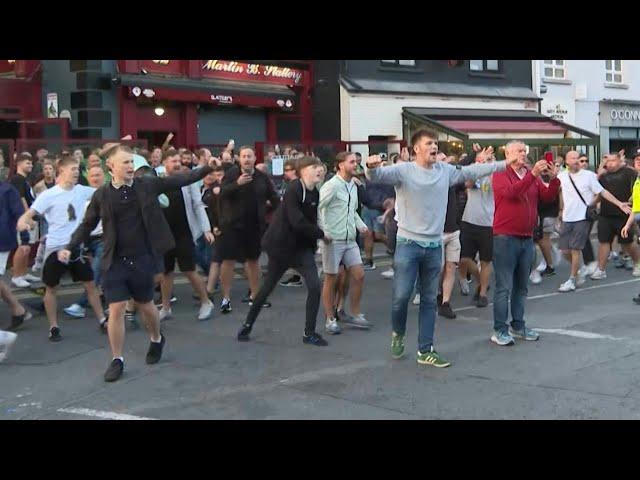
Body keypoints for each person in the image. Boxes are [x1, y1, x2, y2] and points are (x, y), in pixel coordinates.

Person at [59, 144, 215, 382]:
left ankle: (156, 338)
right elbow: (87, 224)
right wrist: (70, 248)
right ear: (111, 166)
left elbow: (180, 180)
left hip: (142, 258)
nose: (131, 167)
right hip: (115, 261)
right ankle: (117, 359)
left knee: (147, 307)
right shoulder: (102, 194)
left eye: (132, 162)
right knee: (117, 308)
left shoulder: (147, 185)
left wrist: (206, 169)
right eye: (125, 163)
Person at [366, 131, 504, 367]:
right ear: (416, 149)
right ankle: (398, 333)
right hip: (408, 243)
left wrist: (504, 163)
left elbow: (471, 172)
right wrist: (370, 167)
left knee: (430, 299)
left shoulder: (445, 171)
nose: (433, 147)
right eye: (428, 143)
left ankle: (425, 349)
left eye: (435, 143)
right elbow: (377, 175)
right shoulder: (404, 171)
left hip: (434, 244)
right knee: (401, 297)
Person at [237, 157, 330, 346]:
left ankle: (309, 333)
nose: (319, 170)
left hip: (302, 248)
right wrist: (321, 234)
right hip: (281, 247)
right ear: (302, 171)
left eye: (320, 167)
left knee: (314, 286)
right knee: (267, 287)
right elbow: (297, 221)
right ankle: (247, 324)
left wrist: (316, 239)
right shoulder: (294, 190)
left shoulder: (315, 193)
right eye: (314, 167)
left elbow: (311, 220)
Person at [17, 156, 106, 342]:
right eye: (72, 169)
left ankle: (102, 320)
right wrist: (23, 223)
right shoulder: (49, 195)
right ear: (62, 171)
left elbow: (103, 193)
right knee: (51, 288)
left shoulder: (81, 191)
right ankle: (53, 327)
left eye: (77, 169)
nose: (76, 172)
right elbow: (28, 215)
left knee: (90, 284)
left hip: (76, 248)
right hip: (55, 248)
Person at [490, 141, 560, 346]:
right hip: (505, 236)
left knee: (521, 286)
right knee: (504, 286)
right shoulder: (500, 173)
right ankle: (499, 329)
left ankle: (518, 325)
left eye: (524, 151)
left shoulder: (530, 174)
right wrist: (533, 175)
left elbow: (546, 197)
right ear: (507, 152)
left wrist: (554, 180)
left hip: (526, 236)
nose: (523, 154)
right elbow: (512, 193)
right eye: (519, 151)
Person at [216, 146, 280, 314]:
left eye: (249, 156)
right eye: (243, 156)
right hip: (231, 225)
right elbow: (222, 193)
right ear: (239, 159)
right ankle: (226, 298)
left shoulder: (262, 177)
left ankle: (255, 296)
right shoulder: (231, 174)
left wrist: (281, 215)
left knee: (253, 260)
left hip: (254, 225)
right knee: (228, 260)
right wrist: (237, 184)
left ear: (254, 158)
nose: (246, 159)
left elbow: (273, 197)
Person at [557, 151, 630, 292]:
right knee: (564, 250)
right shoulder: (561, 177)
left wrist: (619, 203)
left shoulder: (588, 176)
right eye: (572, 158)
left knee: (575, 249)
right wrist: (560, 211)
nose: (576, 160)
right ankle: (580, 268)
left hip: (583, 217)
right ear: (566, 161)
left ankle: (572, 279)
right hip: (567, 218)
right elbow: (558, 192)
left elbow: (602, 192)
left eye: (578, 158)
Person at [318, 152, 372, 334]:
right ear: (340, 165)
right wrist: (323, 231)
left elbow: (351, 210)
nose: (355, 165)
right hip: (333, 239)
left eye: (356, 162)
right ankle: (330, 318)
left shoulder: (353, 185)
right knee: (331, 278)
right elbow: (319, 208)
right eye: (351, 162)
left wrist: (361, 225)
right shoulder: (331, 186)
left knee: (359, 274)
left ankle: (355, 313)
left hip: (350, 239)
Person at [158, 150, 214, 321]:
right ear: (164, 163)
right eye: (173, 161)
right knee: (165, 273)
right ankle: (166, 307)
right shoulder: (157, 181)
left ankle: (206, 302)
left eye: (178, 161)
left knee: (189, 270)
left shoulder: (187, 180)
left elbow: (198, 204)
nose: (177, 164)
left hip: (184, 232)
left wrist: (206, 229)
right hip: (164, 234)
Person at [63, 165, 108, 318]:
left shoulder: (109, 194)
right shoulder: (81, 197)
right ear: (88, 178)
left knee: (95, 270)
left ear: (104, 176)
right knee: (99, 273)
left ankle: (80, 304)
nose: (96, 178)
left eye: (99, 175)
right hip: (87, 240)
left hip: (105, 238)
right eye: (93, 175)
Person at [590, 152, 640, 280]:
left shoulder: (630, 173)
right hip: (606, 214)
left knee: (627, 243)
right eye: (608, 161)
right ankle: (601, 269)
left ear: (619, 161)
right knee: (604, 241)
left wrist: (633, 204)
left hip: (624, 213)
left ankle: (637, 264)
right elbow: (599, 193)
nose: (610, 163)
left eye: (613, 160)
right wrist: (593, 205)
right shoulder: (603, 176)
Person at [458, 148, 495, 307]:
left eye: (488, 160)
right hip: (469, 220)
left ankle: (483, 294)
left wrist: (490, 166)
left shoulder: (495, 175)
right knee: (464, 259)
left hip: (488, 223)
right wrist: (479, 165)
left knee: (486, 260)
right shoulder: (474, 173)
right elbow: (468, 183)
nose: (485, 162)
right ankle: (482, 282)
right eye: (482, 160)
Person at [0, 179, 33, 333]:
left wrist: (25, 239)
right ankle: (19, 310)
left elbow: (21, 215)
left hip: (2, 239)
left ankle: (18, 310)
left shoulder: (8, 190)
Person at [9, 153, 40, 288]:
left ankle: (23, 273)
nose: (31, 165)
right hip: (23, 218)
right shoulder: (17, 179)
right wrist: (28, 216)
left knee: (28, 247)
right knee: (22, 247)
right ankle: (16, 276)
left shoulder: (25, 179)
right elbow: (20, 198)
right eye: (28, 163)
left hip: (30, 218)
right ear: (19, 164)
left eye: (31, 163)